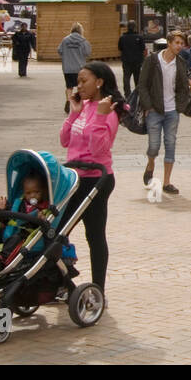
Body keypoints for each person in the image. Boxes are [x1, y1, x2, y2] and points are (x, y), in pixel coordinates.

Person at [59, 61, 125, 296]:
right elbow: (65, 141)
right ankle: (61, 281)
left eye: (84, 80)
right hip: (74, 177)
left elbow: (99, 151)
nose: (79, 85)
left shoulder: (108, 111)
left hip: (96, 180)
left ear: (99, 82)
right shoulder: (84, 105)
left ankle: (98, 290)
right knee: (57, 231)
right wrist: (73, 112)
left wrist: (99, 118)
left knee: (94, 235)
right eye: (78, 80)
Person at [140, 30, 190, 195]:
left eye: (181, 43)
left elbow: (183, 88)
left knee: (170, 144)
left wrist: (179, 106)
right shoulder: (153, 60)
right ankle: (151, 164)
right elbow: (143, 85)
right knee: (154, 146)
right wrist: (148, 106)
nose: (179, 46)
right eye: (176, 43)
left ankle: (167, 182)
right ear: (169, 43)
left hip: (172, 111)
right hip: (155, 110)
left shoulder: (180, 63)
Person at [58, 23, 91, 106]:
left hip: (68, 68)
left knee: (69, 86)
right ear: (80, 30)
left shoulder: (65, 40)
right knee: (80, 86)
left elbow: (59, 50)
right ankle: (78, 102)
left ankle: (69, 101)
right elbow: (87, 53)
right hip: (80, 68)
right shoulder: (83, 40)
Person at [117, 21, 145, 95]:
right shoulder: (139, 37)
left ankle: (127, 93)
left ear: (127, 27)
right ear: (135, 27)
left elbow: (120, 48)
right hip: (137, 61)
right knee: (137, 77)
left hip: (126, 60)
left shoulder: (122, 37)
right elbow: (143, 48)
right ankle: (137, 93)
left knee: (126, 77)